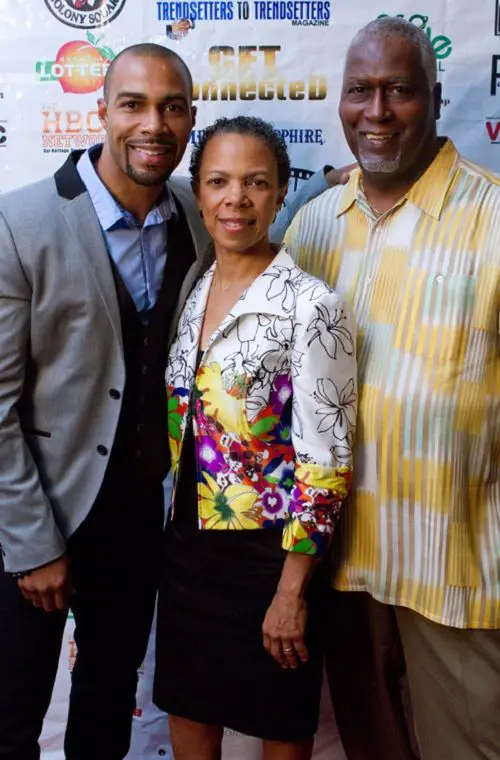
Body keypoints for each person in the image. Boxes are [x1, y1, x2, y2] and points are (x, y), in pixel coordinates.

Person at [284, 15, 500, 760]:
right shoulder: (312, 226)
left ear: (435, 98)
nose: (376, 112)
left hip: (458, 566)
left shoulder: (494, 217)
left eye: (399, 91)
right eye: (360, 92)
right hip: (341, 566)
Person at [0, 43, 211, 760]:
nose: (154, 123)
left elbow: (266, 210)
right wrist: (33, 547)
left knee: (107, 695)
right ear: (102, 113)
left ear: (190, 119)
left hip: (134, 517)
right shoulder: (19, 224)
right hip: (35, 515)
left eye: (172, 106)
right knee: (10, 715)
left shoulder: (197, 212)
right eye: (133, 104)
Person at [152, 115, 357, 760]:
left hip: (271, 558)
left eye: (255, 182)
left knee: (281, 723)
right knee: (188, 711)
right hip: (186, 546)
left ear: (277, 193)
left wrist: (292, 590)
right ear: (198, 192)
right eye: (217, 181)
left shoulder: (311, 305)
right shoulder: (192, 286)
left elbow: (327, 462)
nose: (235, 198)